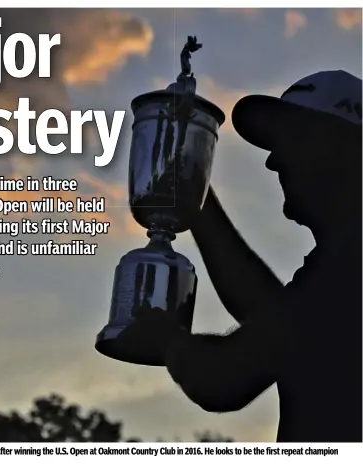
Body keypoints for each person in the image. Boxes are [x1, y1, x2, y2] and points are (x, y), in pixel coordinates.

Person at [122, 70, 362, 442]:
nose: (273, 162)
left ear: (341, 146)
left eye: (291, 139)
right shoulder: (335, 269)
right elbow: (272, 317)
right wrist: (192, 191)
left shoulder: (348, 270)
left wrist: (166, 339)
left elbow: (224, 378)